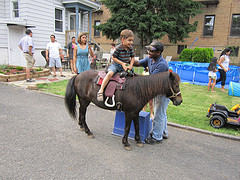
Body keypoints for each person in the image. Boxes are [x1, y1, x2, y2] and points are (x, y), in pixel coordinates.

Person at [134, 41, 169, 144]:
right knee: (162, 112)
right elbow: (138, 63)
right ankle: (164, 132)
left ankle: (157, 137)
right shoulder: (150, 59)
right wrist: (127, 60)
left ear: (158, 52)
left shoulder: (162, 64)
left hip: (163, 92)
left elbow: (151, 81)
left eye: (151, 51)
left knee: (159, 114)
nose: (148, 52)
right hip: (157, 90)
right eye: (148, 49)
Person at [97, 29, 135, 101]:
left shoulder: (130, 48)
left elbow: (132, 57)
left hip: (125, 66)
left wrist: (131, 65)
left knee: (132, 77)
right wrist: (122, 63)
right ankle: (101, 91)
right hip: (116, 65)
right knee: (110, 74)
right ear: (123, 39)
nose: (131, 42)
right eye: (129, 40)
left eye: (132, 40)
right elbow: (113, 58)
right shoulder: (118, 48)